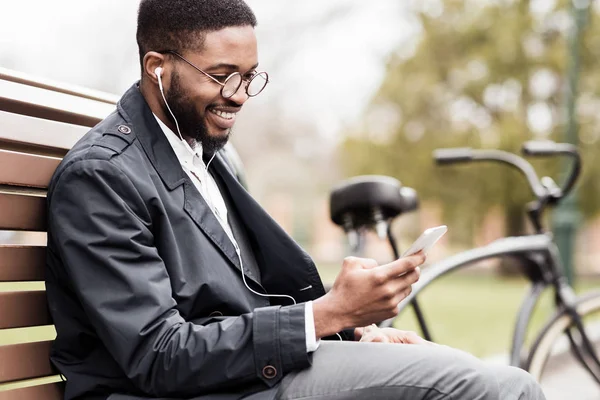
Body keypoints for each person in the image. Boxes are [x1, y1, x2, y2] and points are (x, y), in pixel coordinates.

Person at [45, 1, 546, 399]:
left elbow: (245, 298)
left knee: (488, 378)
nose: (239, 95)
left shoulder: (201, 151)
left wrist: (352, 335)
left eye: (249, 75)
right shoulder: (102, 178)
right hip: (181, 392)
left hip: (245, 376)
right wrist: (330, 314)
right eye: (222, 75)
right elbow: (160, 355)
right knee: (499, 389)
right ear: (157, 68)